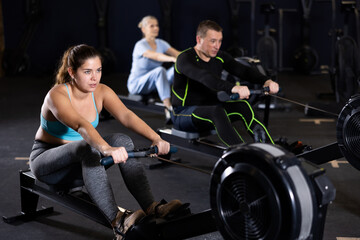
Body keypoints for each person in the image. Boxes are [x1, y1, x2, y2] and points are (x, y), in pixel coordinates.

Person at [29, 44, 182, 239]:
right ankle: (118, 222)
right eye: (87, 71)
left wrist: (156, 138)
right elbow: (80, 125)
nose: (95, 77)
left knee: (123, 139)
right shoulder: (57, 95)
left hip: (80, 162)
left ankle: (152, 207)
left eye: (98, 70)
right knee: (89, 147)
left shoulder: (101, 91)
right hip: (48, 164)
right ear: (72, 72)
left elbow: (126, 116)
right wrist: (106, 148)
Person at [171, 20, 280, 146]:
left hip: (211, 110)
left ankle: (269, 149)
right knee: (216, 111)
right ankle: (241, 153)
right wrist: (234, 88)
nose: (217, 46)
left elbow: (243, 70)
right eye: (212, 41)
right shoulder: (184, 58)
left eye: (219, 41)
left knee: (243, 106)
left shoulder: (220, 56)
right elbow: (205, 77)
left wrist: (266, 80)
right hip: (184, 113)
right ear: (199, 39)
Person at [127, 15, 180, 123]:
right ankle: (168, 108)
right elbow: (155, 56)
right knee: (160, 70)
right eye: (152, 26)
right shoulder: (140, 45)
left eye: (157, 25)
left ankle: (182, 101)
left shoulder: (161, 43)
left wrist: (195, 57)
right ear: (143, 29)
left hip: (154, 84)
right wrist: (172, 59)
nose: (156, 28)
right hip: (136, 84)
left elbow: (179, 54)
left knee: (178, 67)